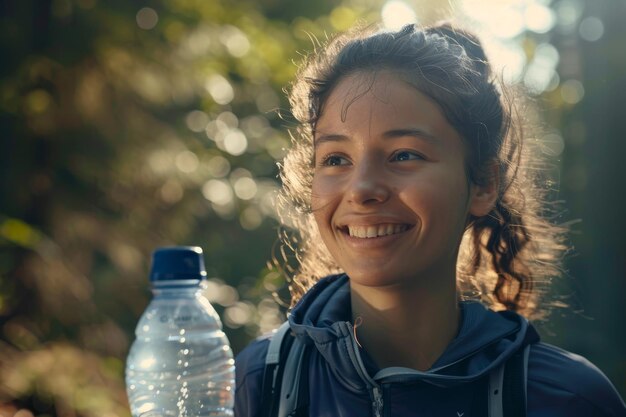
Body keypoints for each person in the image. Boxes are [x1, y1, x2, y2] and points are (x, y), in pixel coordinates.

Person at [234, 22, 626, 417]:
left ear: (483, 185)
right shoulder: (261, 381)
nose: (361, 188)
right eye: (336, 159)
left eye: (404, 154)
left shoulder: (566, 399)